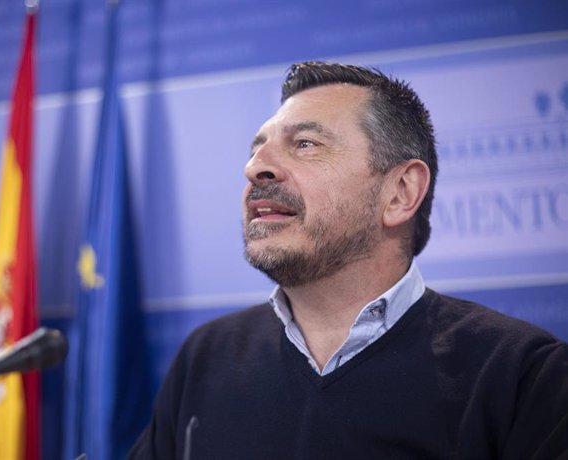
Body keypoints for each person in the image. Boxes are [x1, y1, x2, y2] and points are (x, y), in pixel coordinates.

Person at [129, 62, 568, 459]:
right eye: (256, 149)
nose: (255, 168)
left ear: (399, 193)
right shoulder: (205, 358)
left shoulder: (522, 375)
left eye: (305, 144)